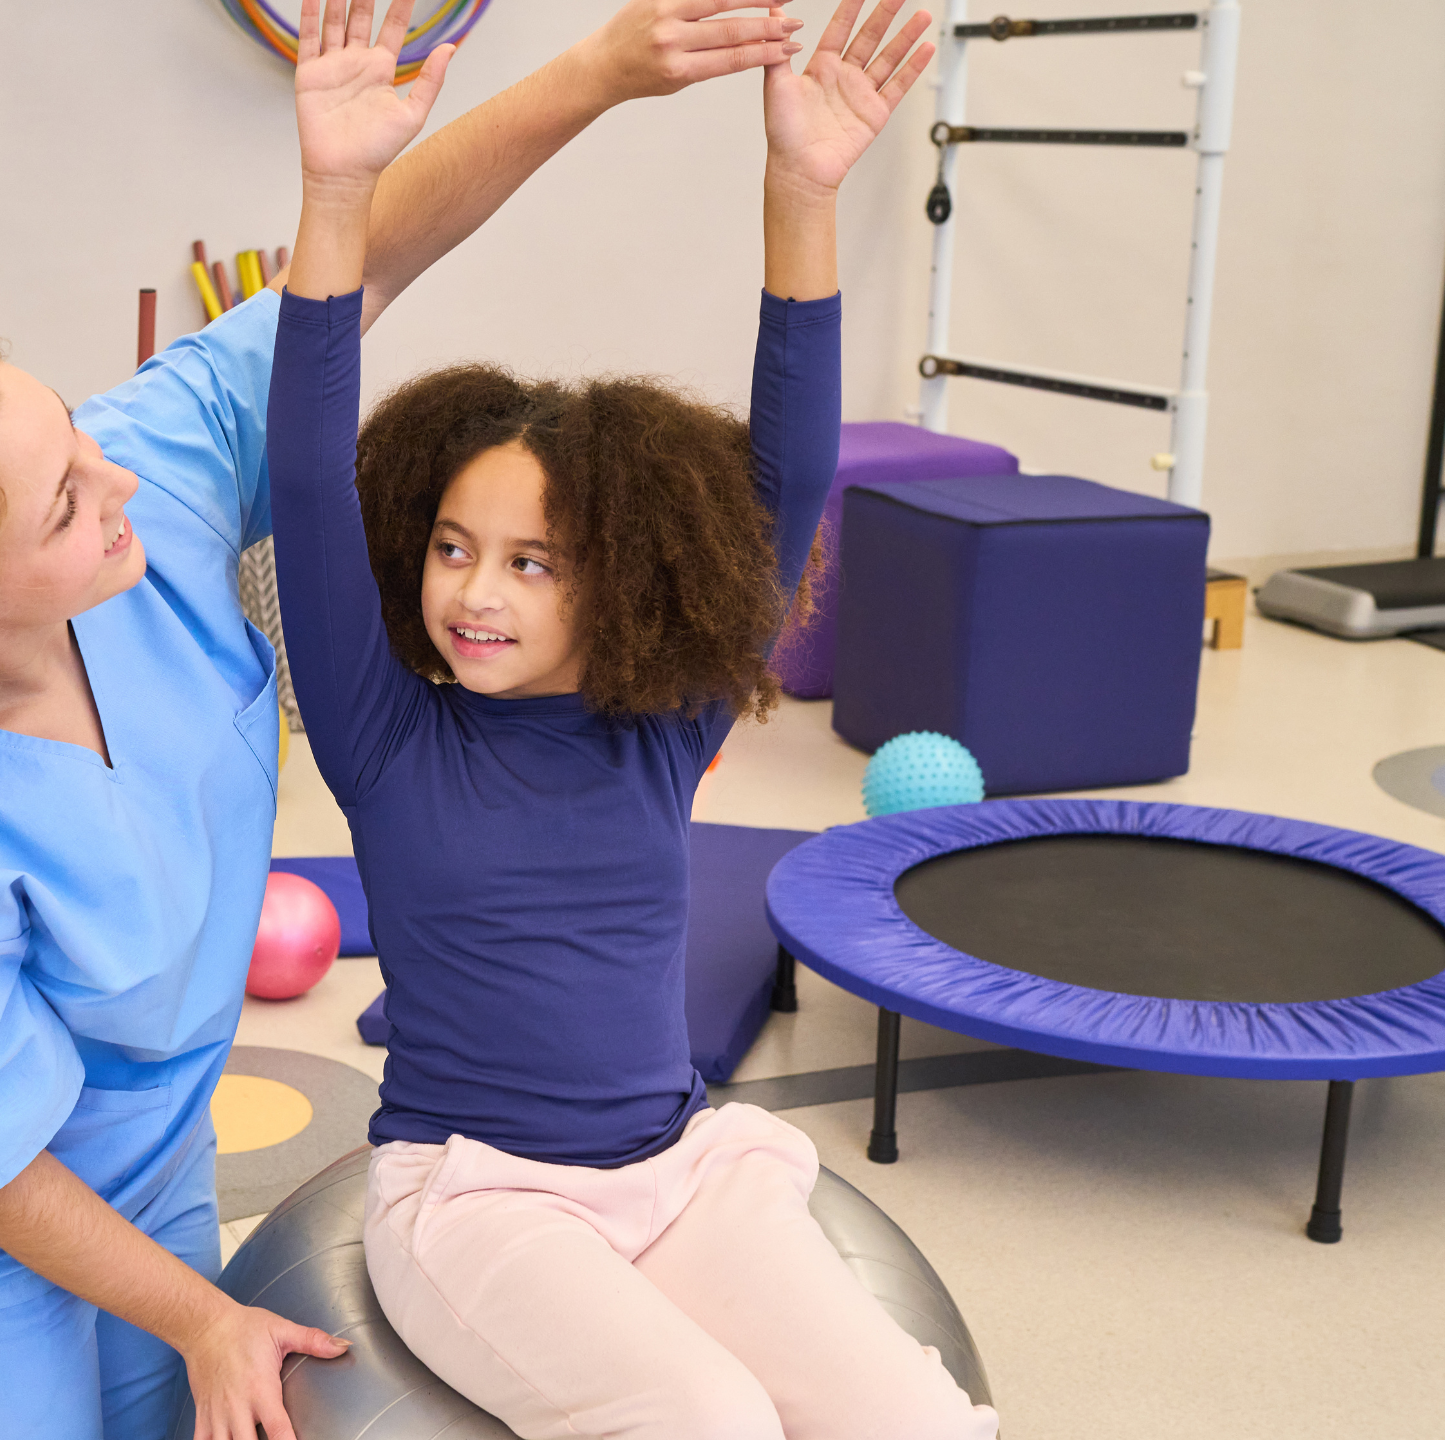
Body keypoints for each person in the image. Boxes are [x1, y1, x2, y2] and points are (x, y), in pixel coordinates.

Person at [0, 8, 825, 1440]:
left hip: (159, 1158)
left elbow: (363, 269)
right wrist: (202, 1316)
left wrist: (593, 75)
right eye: (70, 499)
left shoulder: (136, 472)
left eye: (84, 441)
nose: (124, 484)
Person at [265, 1, 1001, 1436]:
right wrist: (337, 192)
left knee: (920, 1422)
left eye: (533, 562)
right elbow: (304, 478)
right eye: (454, 547)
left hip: (675, 1176)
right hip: (474, 1200)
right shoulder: (387, 731)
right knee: (703, 1420)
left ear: (623, 583)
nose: (477, 593)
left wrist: (800, 192)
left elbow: (783, 486)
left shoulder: (655, 728)